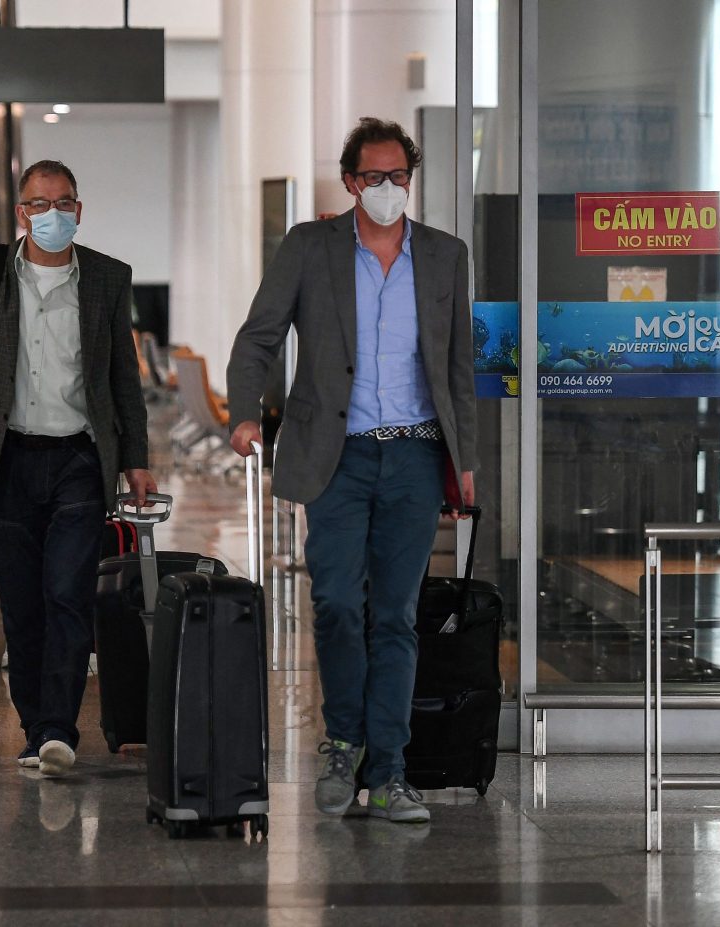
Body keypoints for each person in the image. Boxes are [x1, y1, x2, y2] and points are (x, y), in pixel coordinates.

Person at [227, 117, 477, 824]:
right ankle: (342, 745)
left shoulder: (445, 255)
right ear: (349, 182)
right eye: (374, 177)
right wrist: (246, 413)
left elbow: (458, 366)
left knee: (396, 614)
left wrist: (466, 463)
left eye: (399, 176)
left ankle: (390, 770)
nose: (388, 187)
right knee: (337, 602)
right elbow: (259, 336)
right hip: (335, 455)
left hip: (415, 454)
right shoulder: (310, 247)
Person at [0, 159, 156, 779]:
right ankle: (35, 726)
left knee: (67, 593)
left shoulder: (107, 277)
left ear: (79, 210)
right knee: (21, 605)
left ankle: (57, 729)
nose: (52, 214)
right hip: (6, 457)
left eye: (63, 203)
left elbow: (123, 379)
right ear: (22, 213)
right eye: (40, 204)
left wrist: (137, 462)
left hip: (78, 459)